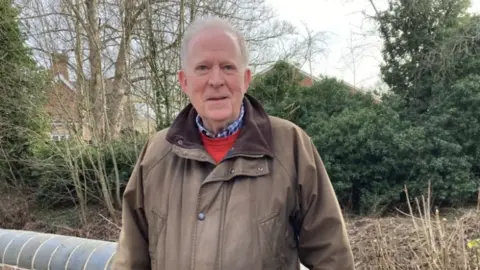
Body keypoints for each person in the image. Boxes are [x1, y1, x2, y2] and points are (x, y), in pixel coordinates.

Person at [111, 16, 354, 270]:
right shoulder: (155, 155)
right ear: (184, 81)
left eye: (228, 67)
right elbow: (129, 260)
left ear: (246, 78)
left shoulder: (291, 147)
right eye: (203, 68)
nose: (216, 80)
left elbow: (332, 258)